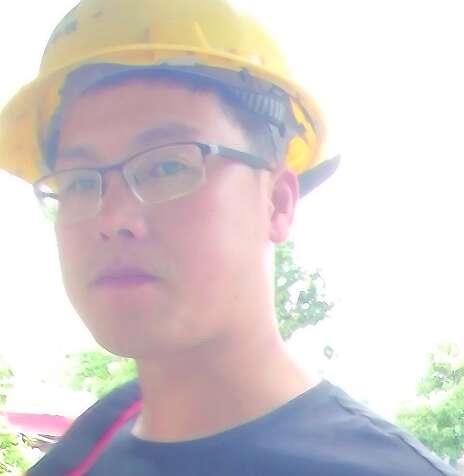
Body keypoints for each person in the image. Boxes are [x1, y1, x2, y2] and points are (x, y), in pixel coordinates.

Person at [0, 1, 458, 475]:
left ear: (277, 203)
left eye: (167, 166)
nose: (112, 217)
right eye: (78, 181)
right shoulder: (81, 454)